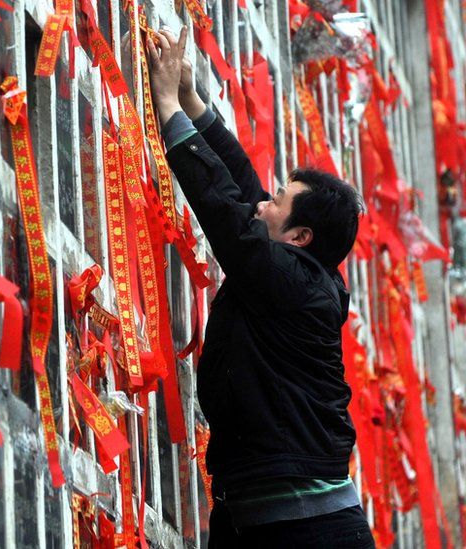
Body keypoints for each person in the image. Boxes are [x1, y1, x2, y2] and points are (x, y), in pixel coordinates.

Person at [145, 27, 373, 548]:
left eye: (279, 201)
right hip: (257, 518)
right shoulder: (294, 270)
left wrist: (165, 109)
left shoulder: (295, 285)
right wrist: (190, 98)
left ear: (298, 237)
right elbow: (245, 187)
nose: (264, 202)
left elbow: (229, 214)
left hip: (310, 532)